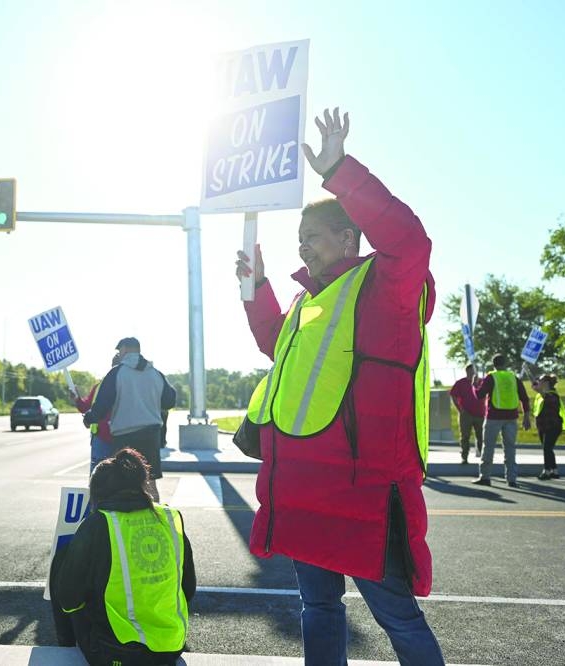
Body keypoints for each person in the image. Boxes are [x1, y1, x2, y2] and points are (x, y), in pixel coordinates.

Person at [234, 108, 444, 665]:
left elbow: (410, 241)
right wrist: (255, 288)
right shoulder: (311, 301)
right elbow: (276, 345)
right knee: (319, 610)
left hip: (362, 496)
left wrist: (341, 173)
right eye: (299, 239)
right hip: (305, 490)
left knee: (397, 617)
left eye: (314, 238)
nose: (303, 248)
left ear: (350, 235)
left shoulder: (384, 290)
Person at [51, 448, 195, 666]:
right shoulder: (170, 517)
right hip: (170, 648)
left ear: (98, 495)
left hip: (115, 653)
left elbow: (69, 599)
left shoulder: (97, 524)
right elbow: (188, 587)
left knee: (63, 558)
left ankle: (66, 646)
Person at [83, 337, 176, 502]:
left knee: (124, 485)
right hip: (151, 436)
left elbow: (103, 404)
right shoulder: (156, 374)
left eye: (119, 351)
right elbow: (169, 401)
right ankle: (155, 519)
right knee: (150, 483)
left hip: (125, 438)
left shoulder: (117, 373)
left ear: (124, 349)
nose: (119, 354)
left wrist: (89, 418)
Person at [471, 354, 530, 487]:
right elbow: (524, 397)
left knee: (488, 447)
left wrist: (474, 385)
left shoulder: (491, 377)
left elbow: (479, 395)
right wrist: (526, 416)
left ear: (493, 364)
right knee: (510, 448)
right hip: (511, 417)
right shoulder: (513, 377)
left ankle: (485, 477)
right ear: (505, 364)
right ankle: (511, 479)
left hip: (493, 417)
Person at [71, 351, 120, 474]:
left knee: (113, 477)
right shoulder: (99, 386)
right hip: (101, 439)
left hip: (120, 438)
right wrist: (77, 399)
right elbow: (86, 407)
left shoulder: (128, 386)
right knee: (98, 476)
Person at [532, 373, 565, 480]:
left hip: (553, 426)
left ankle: (547, 470)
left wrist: (539, 390)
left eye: (541, 381)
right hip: (543, 426)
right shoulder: (541, 395)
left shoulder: (553, 394)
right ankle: (554, 470)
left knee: (547, 448)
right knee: (548, 448)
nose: (539, 382)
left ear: (547, 383)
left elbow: (548, 399)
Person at [449, 363, 486, 463]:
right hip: (466, 414)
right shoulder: (461, 383)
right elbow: (453, 395)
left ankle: (482, 455)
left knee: (481, 435)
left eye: (474, 371)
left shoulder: (481, 382)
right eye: (470, 371)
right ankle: (464, 456)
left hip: (480, 413)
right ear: (467, 372)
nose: (472, 373)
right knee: (465, 436)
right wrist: (459, 409)